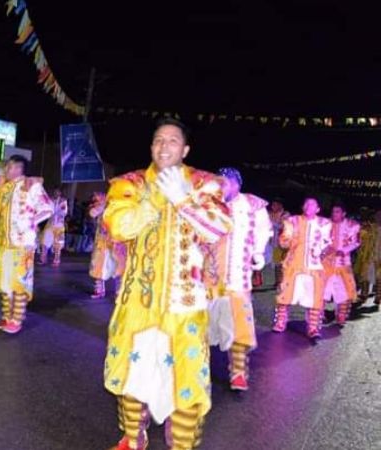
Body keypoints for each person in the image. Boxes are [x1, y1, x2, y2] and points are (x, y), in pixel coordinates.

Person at [102, 119, 231, 450]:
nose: (164, 146)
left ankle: (182, 443)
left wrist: (184, 199)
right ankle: (133, 437)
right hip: (136, 303)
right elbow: (118, 225)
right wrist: (155, 199)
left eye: (172, 141)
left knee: (185, 379)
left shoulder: (205, 183)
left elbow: (218, 227)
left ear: (185, 149)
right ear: (151, 147)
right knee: (132, 373)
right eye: (158, 140)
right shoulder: (129, 183)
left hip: (184, 303)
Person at [204, 168, 272, 391]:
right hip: (209, 278)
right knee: (201, 326)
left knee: (239, 325)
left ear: (237, 184)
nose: (222, 186)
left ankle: (238, 373)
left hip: (237, 278)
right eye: (219, 182)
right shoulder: (208, 203)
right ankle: (199, 369)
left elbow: (263, 230)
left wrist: (259, 253)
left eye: (227, 182)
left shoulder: (252, 204)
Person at [0, 155, 53, 334]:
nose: (9, 170)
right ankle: (7, 317)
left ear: (21, 169)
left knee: (19, 283)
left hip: (23, 244)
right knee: (5, 282)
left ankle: (17, 319)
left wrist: (30, 222)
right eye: (8, 167)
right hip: (5, 243)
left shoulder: (31, 184)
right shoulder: (5, 188)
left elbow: (48, 208)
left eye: (14, 167)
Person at [273, 198, 332, 343]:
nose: (308, 206)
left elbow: (327, 242)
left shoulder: (325, 224)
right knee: (285, 294)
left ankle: (313, 328)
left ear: (317, 209)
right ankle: (280, 322)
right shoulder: (293, 220)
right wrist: (285, 237)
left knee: (315, 298)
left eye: (312, 204)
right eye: (306, 203)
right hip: (294, 264)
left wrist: (321, 250)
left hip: (314, 265)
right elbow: (283, 242)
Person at [322, 203, 360, 326]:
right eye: (333, 212)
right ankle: (319, 315)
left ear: (344, 213)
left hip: (343, 263)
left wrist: (343, 250)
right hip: (326, 263)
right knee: (322, 289)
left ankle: (341, 315)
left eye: (337, 212)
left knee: (344, 290)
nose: (334, 214)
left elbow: (356, 242)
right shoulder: (325, 224)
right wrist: (325, 249)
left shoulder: (352, 226)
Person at [88, 192, 125, 299]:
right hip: (101, 241)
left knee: (117, 265)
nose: (95, 199)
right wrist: (100, 206)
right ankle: (99, 291)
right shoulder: (99, 207)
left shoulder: (116, 205)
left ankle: (119, 292)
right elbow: (92, 213)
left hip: (114, 240)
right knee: (98, 264)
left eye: (97, 198)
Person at [354, 210, 381, 306]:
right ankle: (364, 294)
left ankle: (378, 296)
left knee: (379, 278)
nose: (379, 217)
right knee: (364, 276)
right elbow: (361, 236)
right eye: (377, 215)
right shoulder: (370, 227)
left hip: (379, 256)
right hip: (369, 256)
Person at [38, 188, 69, 267]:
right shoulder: (50, 200)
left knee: (58, 244)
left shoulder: (63, 201)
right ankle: (43, 259)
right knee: (44, 242)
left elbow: (63, 212)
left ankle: (56, 260)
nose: (56, 193)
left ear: (60, 193)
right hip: (50, 223)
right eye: (55, 192)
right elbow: (45, 209)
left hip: (59, 224)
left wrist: (54, 213)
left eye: (57, 192)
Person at [268, 199, 291, 288]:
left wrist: (272, 223)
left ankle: (284, 281)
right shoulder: (271, 214)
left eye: (275, 205)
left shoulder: (285, 214)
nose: (273, 207)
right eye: (272, 205)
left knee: (283, 263)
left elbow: (284, 226)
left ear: (280, 205)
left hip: (283, 243)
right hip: (274, 243)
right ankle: (278, 281)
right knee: (277, 263)